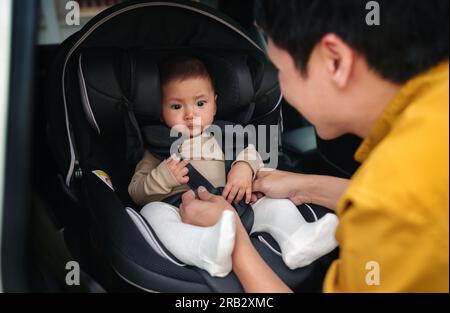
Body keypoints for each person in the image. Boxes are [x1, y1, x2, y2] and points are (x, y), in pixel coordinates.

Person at [178, 0, 449, 292]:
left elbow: (396, 205)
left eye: (280, 69)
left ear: (335, 61)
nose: (282, 84)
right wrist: (303, 185)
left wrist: (233, 241)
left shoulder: (392, 202)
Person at [128, 56, 338, 277]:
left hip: (236, 204)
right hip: (183, 212)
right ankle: (205, 249)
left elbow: (254, 154)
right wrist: (163, 177)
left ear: (215, 104)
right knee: (153, 213)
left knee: (275, 203)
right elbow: (136, 192)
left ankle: (298, 239)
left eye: (200, 103)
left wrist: (243, 167)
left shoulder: (226, 135)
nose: (190, 114)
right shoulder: (158, 148)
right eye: (176, 106)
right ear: (161, 112)